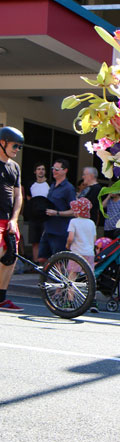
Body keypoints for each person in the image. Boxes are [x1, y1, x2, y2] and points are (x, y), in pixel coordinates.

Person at [0, 126, 25, 312]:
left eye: (19, 147)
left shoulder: (14, 167)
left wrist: (14, 219)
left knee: (10, 258)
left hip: (8, 220)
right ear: (2, 143)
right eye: (15, 145)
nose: (17, 149)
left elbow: (18, 196)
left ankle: (1, 298)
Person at [39, 158, 76, 263]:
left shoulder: (69, 188)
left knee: (58, 261)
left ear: (65, 170)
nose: (54, 171)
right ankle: (46, 278)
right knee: (42, 258)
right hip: (48, 228)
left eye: (57, 169)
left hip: (60, 231)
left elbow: (73, 211)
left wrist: (57, 213)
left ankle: (58, 279)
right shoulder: (52, 186)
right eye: (53, 168)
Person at [24, 162, 52, 263]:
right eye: (39, 169)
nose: (41, 171)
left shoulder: (50, 184)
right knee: (34, 240)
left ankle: (45, 263)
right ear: (35, 171)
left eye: (43, 169)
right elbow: (28, 198)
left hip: (46, 217)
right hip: (34, 216)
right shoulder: (31, 184)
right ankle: (35, 262)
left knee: (45, 240)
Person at [66, 197, 96, 271]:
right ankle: (88, 283)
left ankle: (70, 282)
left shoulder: (73, 221)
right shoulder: (91, 223)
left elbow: (70, 238)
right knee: (88, 274)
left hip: (77, 252)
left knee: (73, 273)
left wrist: (68, 245)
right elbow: (94, 239)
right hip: (89, 253)